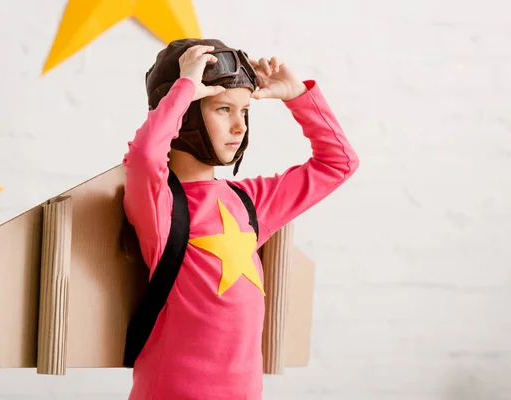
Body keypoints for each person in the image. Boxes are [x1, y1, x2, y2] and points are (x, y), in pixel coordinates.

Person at [122, 38, 359, 400]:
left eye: (244, 111)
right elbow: (144, 156)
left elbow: (338, 163)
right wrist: (185, 87)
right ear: (184, 113)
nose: (240, 127)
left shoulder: (249, 202)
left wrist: (297, 96)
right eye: (222, 110)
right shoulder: (160, 204)